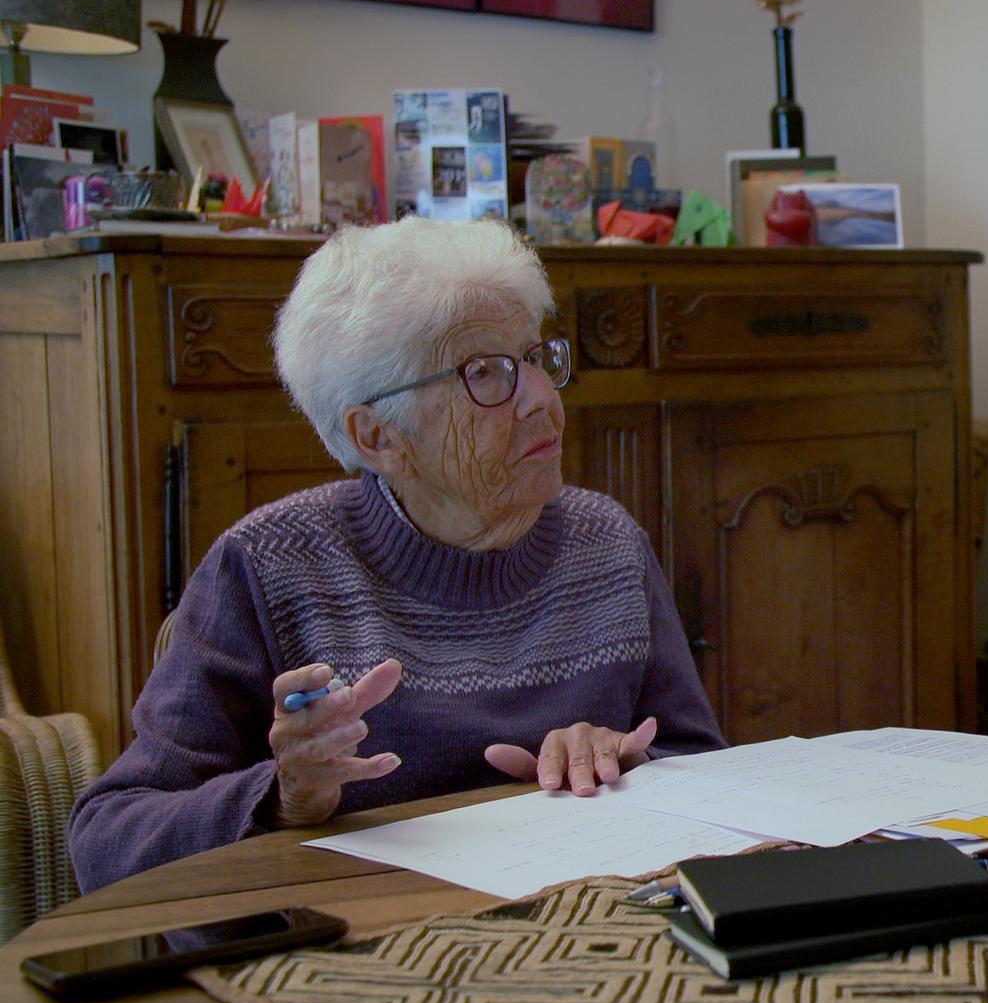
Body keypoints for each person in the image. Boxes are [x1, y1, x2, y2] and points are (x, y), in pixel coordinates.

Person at [70, 218, 725, 892]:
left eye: (535, 357)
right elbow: (107, 839)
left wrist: (627, 761)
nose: (542, 398)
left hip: (583, 930)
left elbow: (708, 771)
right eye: (487, 373)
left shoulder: (607, 543)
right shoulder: (268, 567)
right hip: (358, 940)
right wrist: (281, 798)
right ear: (380, 438)